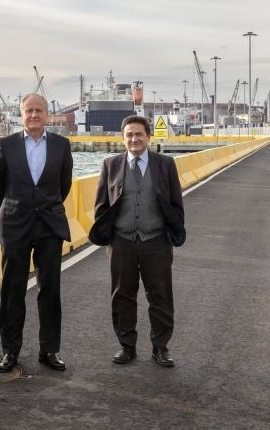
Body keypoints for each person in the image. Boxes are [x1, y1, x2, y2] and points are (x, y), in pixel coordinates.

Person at [88, 115, 185, 367]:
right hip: (121, 241)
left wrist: (173, 232)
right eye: (129, 135)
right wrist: (108, 235)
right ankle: (126, 346)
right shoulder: (110, 164)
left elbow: (176, 202)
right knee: (122, 295)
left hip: (156, 240)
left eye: (139, 134)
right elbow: (101, 204)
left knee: (161, 296)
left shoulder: (165, 164)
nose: (134, 139)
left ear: (148, 137)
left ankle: (160, 347)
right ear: (123, 138)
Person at [0, 93, 73, 373]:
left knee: (50, 289)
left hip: (49, 224)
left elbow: (64, 185)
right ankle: (10, 351)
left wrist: (46, 206)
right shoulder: (6, 145)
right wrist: (13, 209)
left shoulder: (61, 145)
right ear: (21, 114)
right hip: (15, 224)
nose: (34, 115)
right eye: (29, 111)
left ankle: (49, 350)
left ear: (47, 114)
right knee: (12, 289)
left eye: (39, 110)